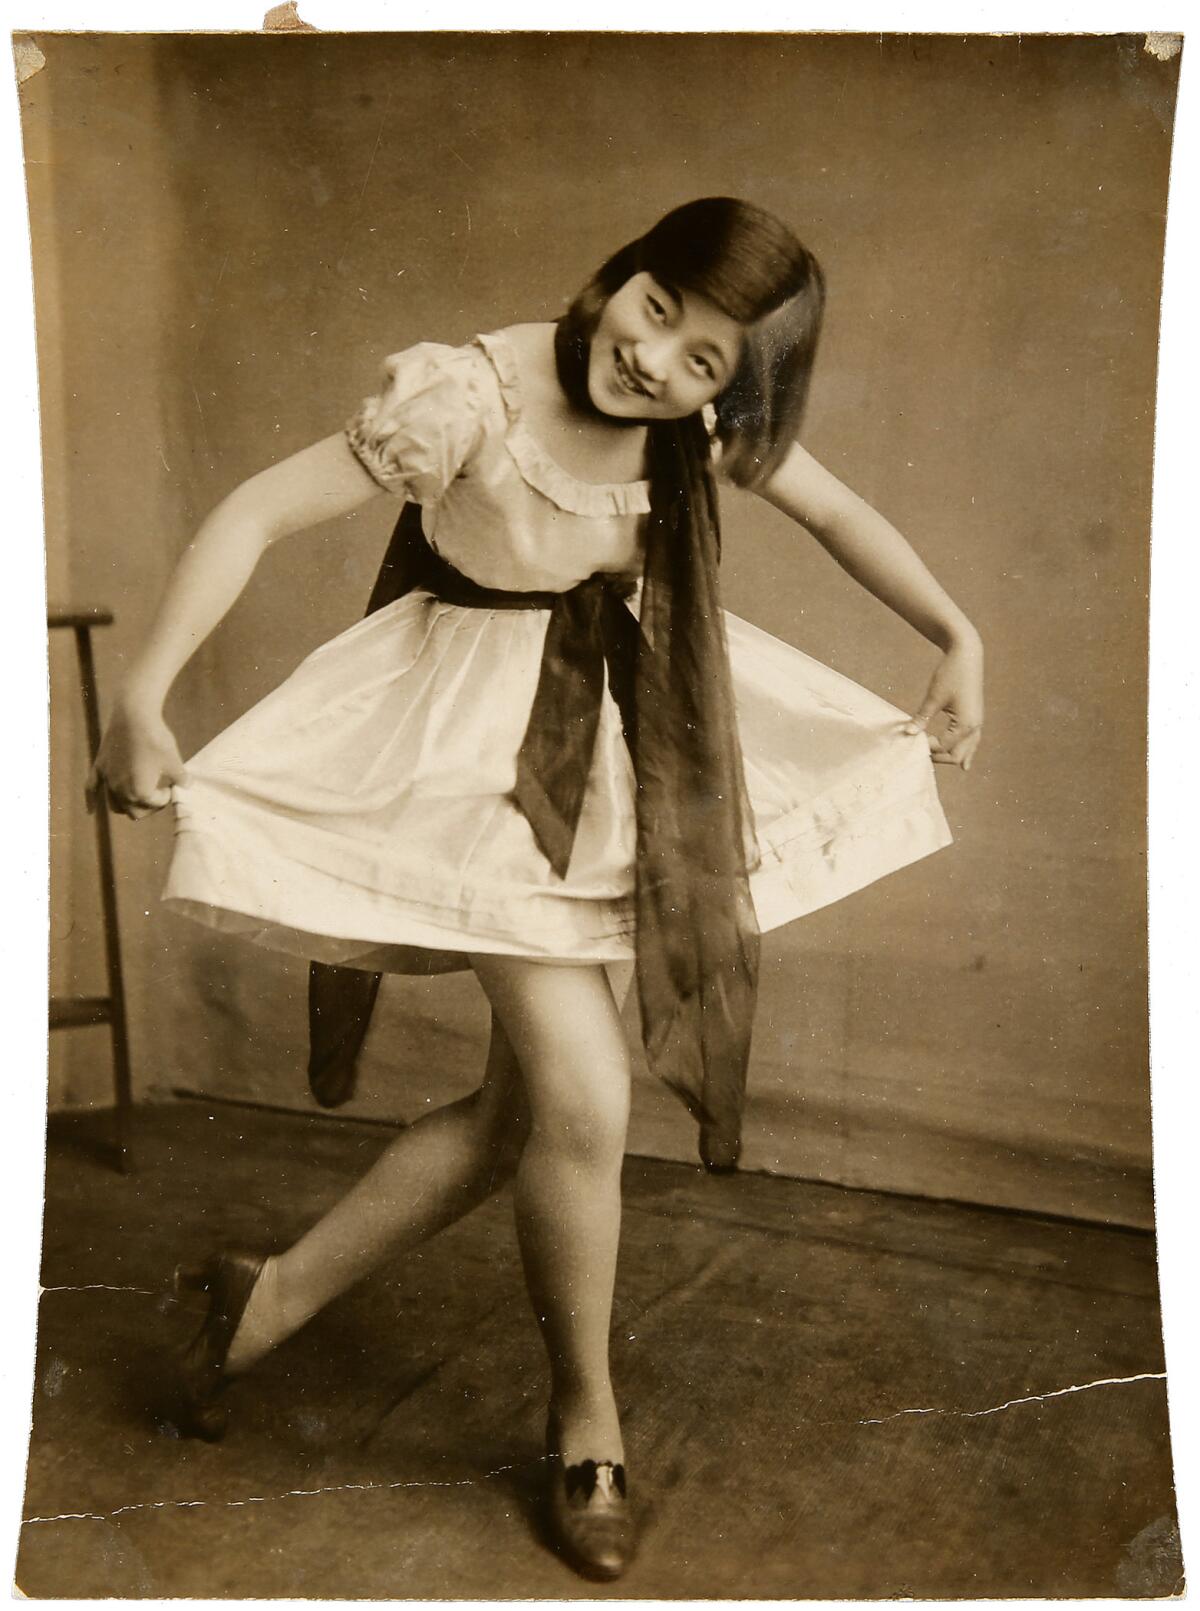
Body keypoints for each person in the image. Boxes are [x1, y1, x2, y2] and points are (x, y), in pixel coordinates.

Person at [88, 197, 984, 1582]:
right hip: (473, 761)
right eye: (659, 310)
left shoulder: (692, 425)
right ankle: (588, 1429)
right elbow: (257, 509)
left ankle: (262, 1304)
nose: (660, 362)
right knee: (583, 1096)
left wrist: (955, 631)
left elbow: (834, 506)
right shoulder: (469, 389)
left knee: (521, 1113)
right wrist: (141, 697)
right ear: (625, 271)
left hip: (624, 738)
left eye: (706, 364)